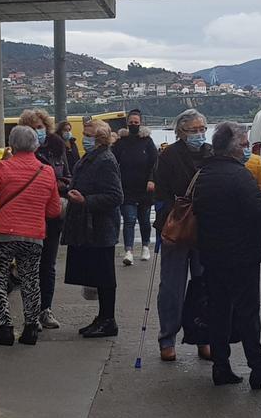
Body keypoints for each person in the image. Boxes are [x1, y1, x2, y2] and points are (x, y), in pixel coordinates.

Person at [193, 122, 261, 389]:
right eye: (244, 145)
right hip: (242, 254)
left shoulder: (204, 173)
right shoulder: (239, 175)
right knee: (247, 314)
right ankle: (258, 369)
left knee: (219, 312)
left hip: (212, 253)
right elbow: (256, 211)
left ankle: (221, 366)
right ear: (233, 148)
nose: (247, 150)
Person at [0, 126, 62, 346]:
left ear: (12, 145)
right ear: (36, 144)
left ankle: (4, 327)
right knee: (31, 280)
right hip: (33, 235)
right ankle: (31, 328)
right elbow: (53, 211)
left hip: (4, 234)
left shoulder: (3, 168)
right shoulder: (46, 171)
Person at [152, 109, 213, 362]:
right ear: (180, 132)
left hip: (207, 230)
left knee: (204, 286)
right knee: (172, 287)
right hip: (176, 229)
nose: (199, 134)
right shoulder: (168, 156)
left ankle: (203, 336)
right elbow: (160, 194)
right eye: (193, 130)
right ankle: (168, 337)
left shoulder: (212, 153)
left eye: (202, 129)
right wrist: (171, 217)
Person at [64, 119, 124, 338]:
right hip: (91, 227)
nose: (84, 137)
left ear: (99, 138)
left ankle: (108, 319)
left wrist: (85, 200)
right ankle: (102, 317)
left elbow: (116, 196)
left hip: (101, 227)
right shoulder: (93, 157)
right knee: (99, 275)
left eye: (88, 134)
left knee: (105, 276)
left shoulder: (105, 160)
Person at [19, 108, 72, 329]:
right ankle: (31, 312)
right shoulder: (21, 151)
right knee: (30, 264)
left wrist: (58, 184)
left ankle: (45, 310)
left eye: (39, 127)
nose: (36, 132)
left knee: (48, 264)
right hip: (30, 215)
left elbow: (68, 176)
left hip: (53, 214)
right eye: (32, 128)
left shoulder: (58, 147)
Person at [112, 109, 158, 265]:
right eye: (131, 123)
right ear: (127, 123)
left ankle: (145, 246)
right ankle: (129, 251)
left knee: (145, 220)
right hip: (126, 188)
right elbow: (113, 162)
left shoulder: (147, 141)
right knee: (129, 220)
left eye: (136, 123)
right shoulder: (121, 142)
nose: (133, 125)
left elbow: (155, 162)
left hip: (145, 188)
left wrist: (152, 180)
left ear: (140, 123)